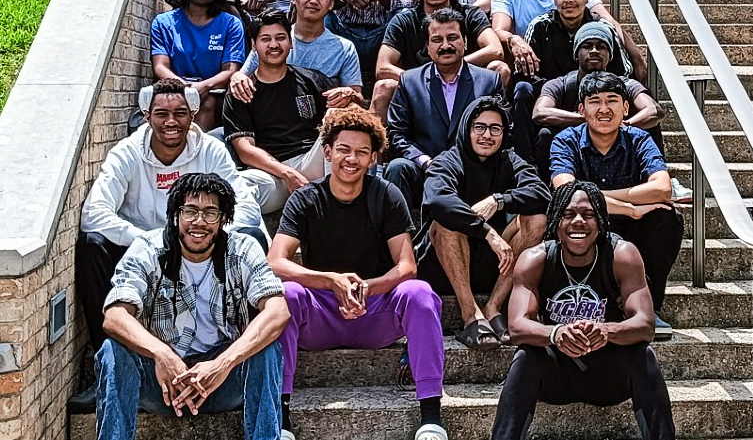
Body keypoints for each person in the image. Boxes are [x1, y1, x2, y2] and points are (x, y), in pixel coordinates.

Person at [269, 107, 448, 440]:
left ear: (373, 158)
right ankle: (280, 419)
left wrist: (369, 288)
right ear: (327, 151)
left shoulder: (387, 195)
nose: (352, 158)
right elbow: (276, 262)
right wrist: (331, 281)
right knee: (287, 296)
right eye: (343, 149)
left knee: (420, 292)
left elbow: (407, 266)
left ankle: (431, 417)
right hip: (320, 315)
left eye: (362, 152)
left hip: (373, 312)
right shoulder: (306, 199)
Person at [77, 79, 265, 368]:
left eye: (180, 113)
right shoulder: (127, 153)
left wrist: (208, 237)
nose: (171, 122)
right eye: (161, 114)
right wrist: (150, 242)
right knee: (93, 245)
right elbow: (93, 214)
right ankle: (108, 361)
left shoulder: (210, 150)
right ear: (146, 115)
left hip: (204, 250)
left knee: (252, 237)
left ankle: (245, 360)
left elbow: (246, 207)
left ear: (193, 114)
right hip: (141, 255)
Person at [95, 173, 289, 440]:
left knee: (267, 350)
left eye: (211, 213)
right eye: (190, 211)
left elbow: (278, 311)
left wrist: (222, 365)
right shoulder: (148, 248)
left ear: (224, 219)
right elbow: (115, 316)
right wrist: (162, 354)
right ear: (176, 215)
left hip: (222, 379)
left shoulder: (243, 249)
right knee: (112, 351)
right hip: (162, 382)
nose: (199, 222)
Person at [491, 181, 676, 440]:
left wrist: (606, 331)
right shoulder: (535, 259)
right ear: (556, 221)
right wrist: (557, 334)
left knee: (642, 355)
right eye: (568, 214)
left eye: (588, 215)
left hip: (607, 372)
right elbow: (518, 327)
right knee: (526, 358)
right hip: (556, 372)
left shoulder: (622, 255)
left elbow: (645, 324)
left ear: (600, 221)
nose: (578, 221)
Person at [550, 72, 683, 339]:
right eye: (595, 101)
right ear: (581, 108)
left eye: (612, 100)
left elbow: (662, 188)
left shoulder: (639, 138)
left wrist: (594, 195)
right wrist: (631, 207)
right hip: (588, 226)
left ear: (625, 107)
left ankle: (647, 309)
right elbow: (566, 192)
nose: (604, 109)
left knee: (668, 217)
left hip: (632, 226)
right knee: (574, 215)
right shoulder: (566, 140)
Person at [416, 96, 550, 348]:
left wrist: (499, 200)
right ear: (467, 129)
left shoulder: (509, 160)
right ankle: (470, 315)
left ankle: (493, 306)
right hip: (445, 263)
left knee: (536, 219)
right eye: (479, 127)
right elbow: (437, 201)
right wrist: (487, 232)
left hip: (495, 263)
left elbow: (541, 194)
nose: (487, 135)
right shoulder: (448, 160)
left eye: (495, 128)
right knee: (446, 222)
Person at [511, 0, 643, 167]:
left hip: (599, 96)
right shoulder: (540, 26)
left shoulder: (602, 26)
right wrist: (560, 89)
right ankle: (524, 167)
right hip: (555, 97)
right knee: (522, 90)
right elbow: (524, 73)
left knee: (642, 99)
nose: (568, 0)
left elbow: (623, 73)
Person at [385, 9, 506, 208]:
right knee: (398, 167)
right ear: (427, 46)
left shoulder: (489, 81)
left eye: (452, 38)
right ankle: (402, 236)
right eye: (437, 40)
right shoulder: (410, 81)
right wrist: (425, 161)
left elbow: (503, 132)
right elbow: (396, 134)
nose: (445, 46)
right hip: (425, 170)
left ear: (465, 42)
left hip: (472, 173)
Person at [372, 0, 508, 125]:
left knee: (499, 68)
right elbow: (382, 67)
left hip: (465, 86)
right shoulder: (404, 20)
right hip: (420, 92)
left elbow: (495, 49)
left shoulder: (471, 14)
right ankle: (378, 149)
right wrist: (426, 79)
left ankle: (492, 137)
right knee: (383, 87)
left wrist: (452, 69)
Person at [223, 10, 335, 213]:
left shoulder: (311, 79)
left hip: (312, 160)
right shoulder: (241, 91)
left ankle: (331, 211)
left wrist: (350, 97)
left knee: (338, 126)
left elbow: (348, 113)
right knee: (232, 188)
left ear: (291, 42)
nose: (274, 45)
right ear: (254, 46)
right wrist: (287, 173)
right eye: (265, 39)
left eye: (280, 38)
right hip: (271, 172)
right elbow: (246, 150)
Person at [532, 22, 665, 179]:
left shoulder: (625, 83)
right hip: (576, 147)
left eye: (602, 46)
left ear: (610, 55)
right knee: (545, 134)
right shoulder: (560, 84)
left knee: (650, 126)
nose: (594, 51)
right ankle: (549, 190)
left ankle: (657, 174)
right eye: (587, 46)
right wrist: (587, 119)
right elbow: (539, 112)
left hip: (619, 144)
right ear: (576, 53)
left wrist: (622, 125)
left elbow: (654, 110)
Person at [228, 0, 363, 108]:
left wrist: (349, 93)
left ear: (331, 4)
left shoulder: (344, 48)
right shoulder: (275, 40)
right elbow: (244, 75)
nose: (314, 1)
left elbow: (357, 97)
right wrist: (237, 77)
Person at [151, 0, 244, 131]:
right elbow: (159, 66)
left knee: (206, 103)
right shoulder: (163, 22)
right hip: (173, 89)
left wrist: (204, 86)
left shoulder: (231, 24)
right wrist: (183, 87)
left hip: (213, 94)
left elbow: (231, 70)